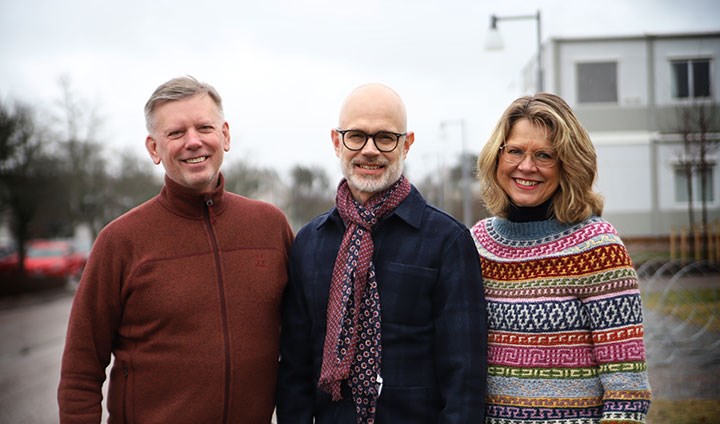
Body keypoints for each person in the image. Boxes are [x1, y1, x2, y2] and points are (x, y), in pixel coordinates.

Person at [57, 76, 294, 423]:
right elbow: (80, 370)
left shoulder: (270, 226)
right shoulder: (120, 241)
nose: (193, 142)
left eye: (204, 127)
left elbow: (303, 344)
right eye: (176, 133)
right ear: (154, 148)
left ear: (225, 135)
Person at [276, 83, 487, 424]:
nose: (370, 150)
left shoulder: (447, 241)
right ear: (336, 141)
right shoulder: (309, 243)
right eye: (356, 136)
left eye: (385, 137)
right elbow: (295, 370)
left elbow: (464, 376)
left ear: (407, 143)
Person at [471, 93, 652, 423]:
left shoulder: (597, 248)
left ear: (568, 163)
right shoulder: (477, 244)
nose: (527, 167)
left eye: (545, 155)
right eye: (515, 151)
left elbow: (627, 391)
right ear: (497, 156)